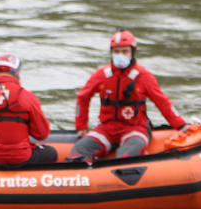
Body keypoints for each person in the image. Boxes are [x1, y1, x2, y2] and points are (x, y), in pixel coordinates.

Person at [70, 30, 192, 163]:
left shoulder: (143, 76)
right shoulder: (101, 75)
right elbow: (82, 97)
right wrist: (81, 126)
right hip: (106, 128)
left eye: (124, 51)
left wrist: (181, 125)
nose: (120, 55)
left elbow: (163, 102)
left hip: (135, 128)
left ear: (132, 52)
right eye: (116, 52)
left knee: (127, 156)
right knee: (79, 151)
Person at [0, 54, 57, 165]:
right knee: (51, 153)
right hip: (19, 157)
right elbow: (42, 134)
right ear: (16, 72)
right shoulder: (26, 96)